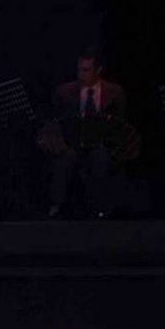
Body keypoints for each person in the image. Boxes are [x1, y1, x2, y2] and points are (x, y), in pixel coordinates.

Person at [46, 49, 129, 218]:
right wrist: (57, 142)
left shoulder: (115, 92)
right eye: (79, 70)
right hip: (72, 144)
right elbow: (53, 121)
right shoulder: (64, 91)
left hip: (102, 144)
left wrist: (111, 139)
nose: (81, 75)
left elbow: (122, 125)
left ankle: (100, 209)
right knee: (66, 157)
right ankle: (56, 206)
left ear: (98, 70)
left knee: (100, 157)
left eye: (86, 70)